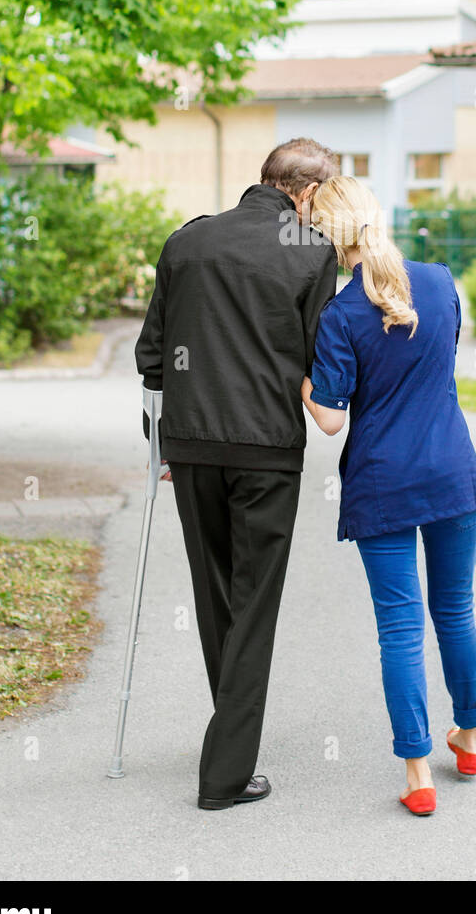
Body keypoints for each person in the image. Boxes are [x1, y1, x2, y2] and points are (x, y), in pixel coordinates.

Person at [136, 138, 339, 810]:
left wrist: (162, 445)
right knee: (254, 605)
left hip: (191, 446)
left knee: (216, 594)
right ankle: (225, 776)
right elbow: (320, 359)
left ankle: (230, 733)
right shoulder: (313, 253)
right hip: (265, 451)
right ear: (305, 194)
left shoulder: (187, 242)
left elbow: (153, 357)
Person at [302, 176, 476, 816]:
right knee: (456, 610)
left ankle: (417, 773)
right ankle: (469, 737)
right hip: (452, 475)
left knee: (401, 628)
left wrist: (301, 380)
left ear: (330, 237)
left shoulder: (340, 314)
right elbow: (440, 366)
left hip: (383, 484)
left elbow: (329, 420)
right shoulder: (440, 283)